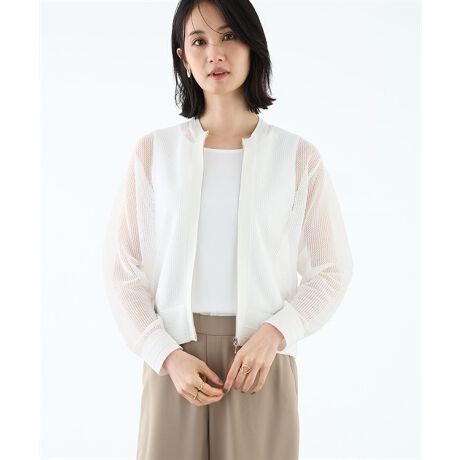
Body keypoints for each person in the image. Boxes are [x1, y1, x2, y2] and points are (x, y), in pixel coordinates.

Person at [102, 1, 353, 459]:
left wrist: (276, 334)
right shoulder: (154, 154)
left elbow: (331, 269)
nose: (214, 53)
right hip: (174, 361)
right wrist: (165, 354)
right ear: (183, 57)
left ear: (253, 46)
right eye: (199, 41)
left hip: (260, 361)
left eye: (229, 36)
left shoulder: (297, 158)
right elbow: (122, 272)